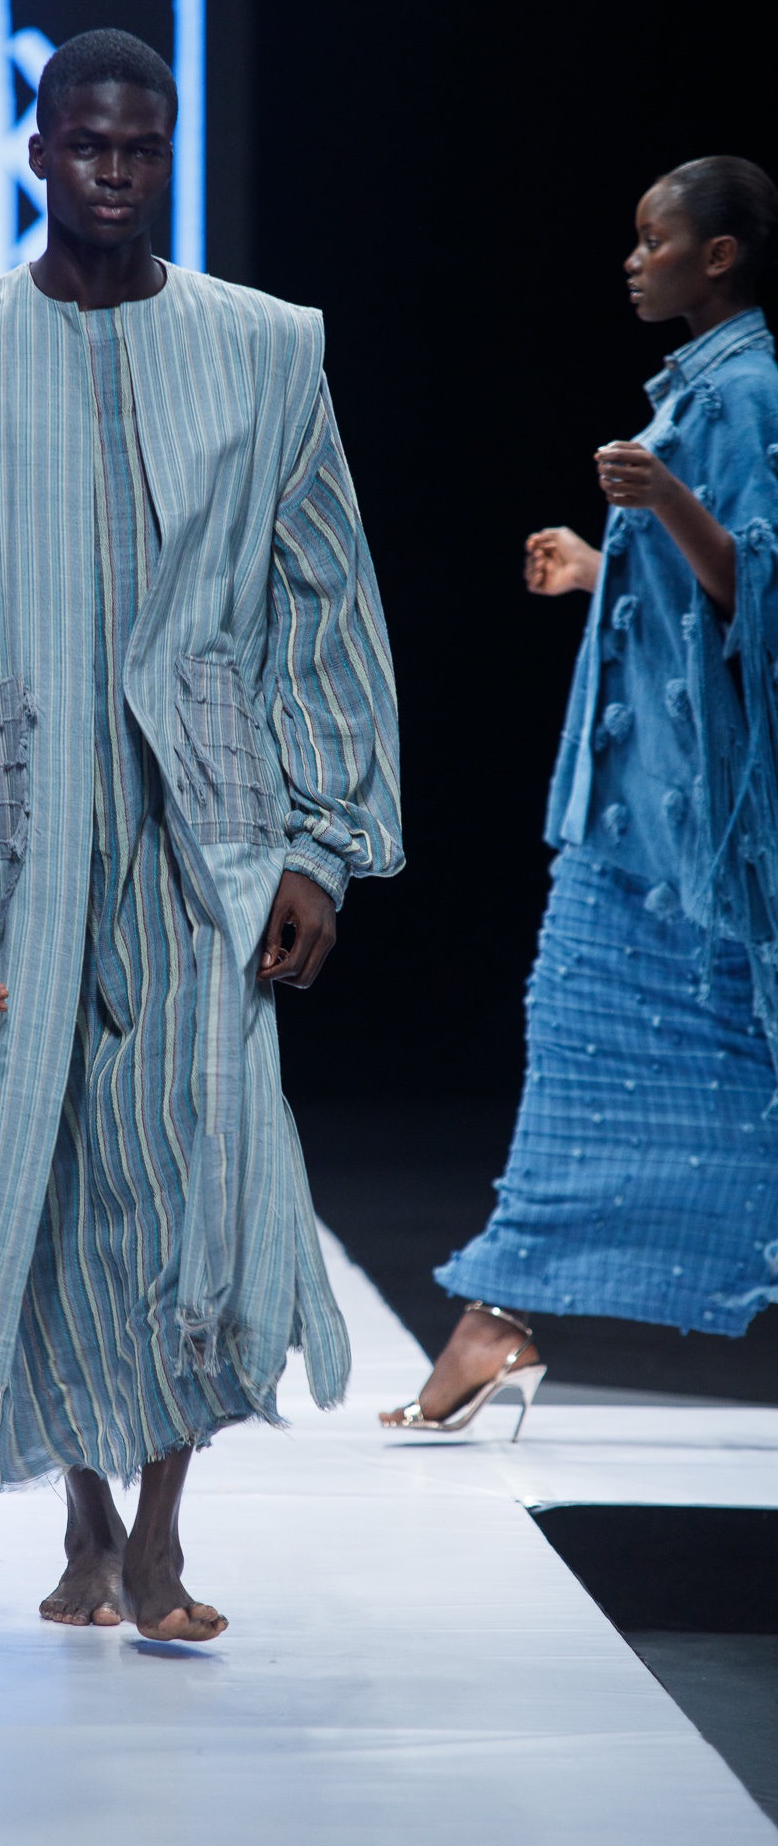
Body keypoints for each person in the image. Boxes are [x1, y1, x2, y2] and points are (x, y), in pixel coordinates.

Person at [0, 29, 402, 1635]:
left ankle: (157, 1536)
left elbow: (324, 595)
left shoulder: (264, 350)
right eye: (85, 143)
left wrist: (320, 843)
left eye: (139, 146)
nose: (112, 170)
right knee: (40, 1169)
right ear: (35, 152)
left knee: (196, 1164)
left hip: (206, 824)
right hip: (13, 827)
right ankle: (83, 1520)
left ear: (167, 152)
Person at [383, 156, 778, 1435]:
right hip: (639, 805)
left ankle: (495, 1318)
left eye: (653, 238)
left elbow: (754, 592)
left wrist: (663, 499)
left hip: (688, 824)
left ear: (717, 254)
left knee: (706, 1057)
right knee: (583, 1042)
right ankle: (495, 1315)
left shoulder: (749, 389)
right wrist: (598, 565)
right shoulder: (702, 382)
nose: (632, 258)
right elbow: (682, 596)